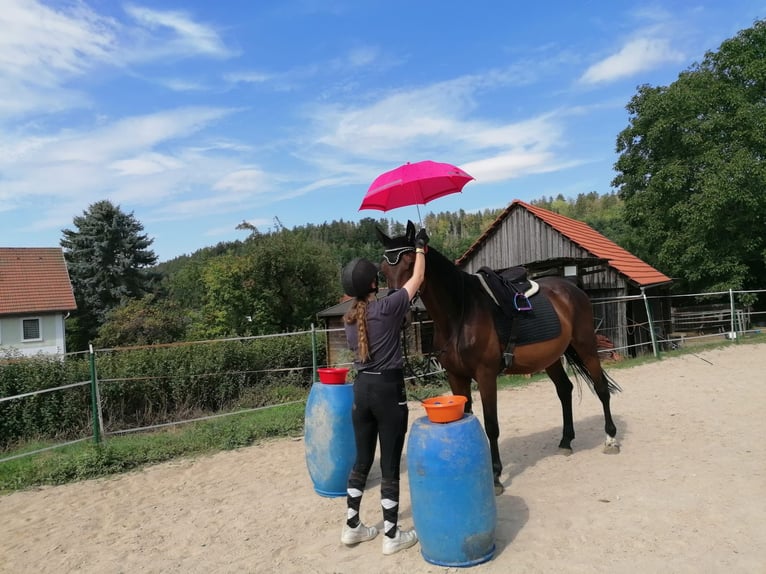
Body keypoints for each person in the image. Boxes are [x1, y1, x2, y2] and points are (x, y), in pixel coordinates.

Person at [339, 227, 428, 556]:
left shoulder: (349, 320)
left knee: (362, 462)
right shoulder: (389, 307)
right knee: (389, 466)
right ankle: (391, 534)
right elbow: (417, 279)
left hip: (360, 391)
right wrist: (420, 247)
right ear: (374, 285)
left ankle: (352, 528)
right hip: (389, 390)